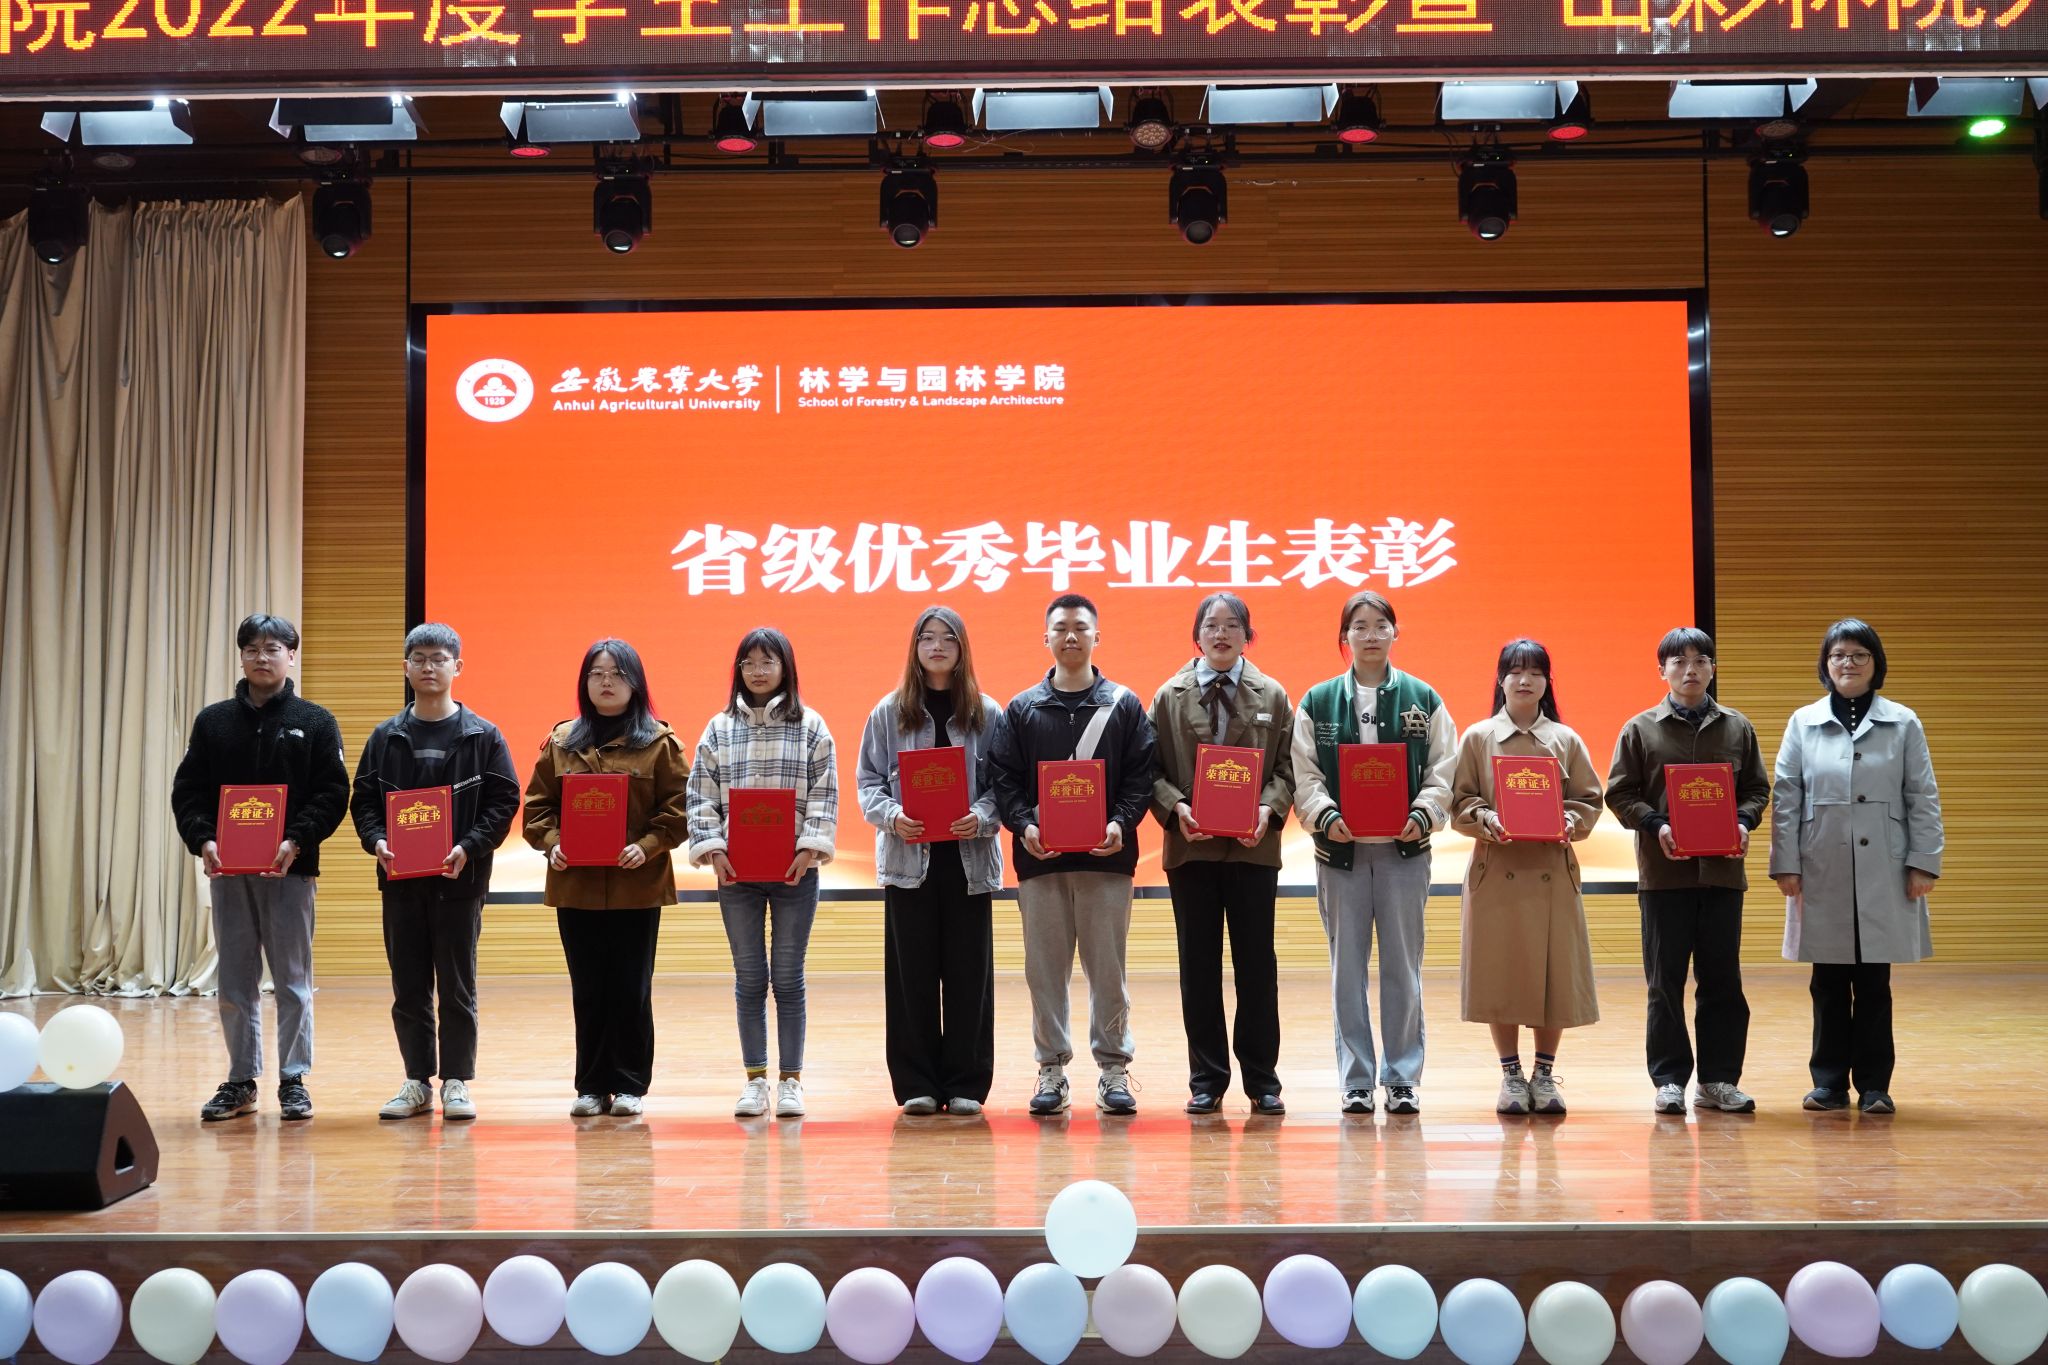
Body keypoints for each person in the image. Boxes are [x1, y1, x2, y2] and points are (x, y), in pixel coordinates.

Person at [170, 613, 350, 1122]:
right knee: (234, 980)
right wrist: (203, 839)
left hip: (290, 869)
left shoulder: (316, 721)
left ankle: (293, 1079)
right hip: (228, 872)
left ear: (291, 655)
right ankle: (240, 1080)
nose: (262, 657)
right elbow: (188, 791)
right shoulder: (213, 722)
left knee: (292, 980)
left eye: (273, 648)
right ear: (241, 657)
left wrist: (297, 839)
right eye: (252, 648)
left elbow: (333, 793)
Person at [986, 593, 1157, 1117]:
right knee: (1044, 973)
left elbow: (1141, 777)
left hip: (1108, 861)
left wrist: (1120, 822)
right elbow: (1004, 780)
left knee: (1109, 972)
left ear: (1096, 637)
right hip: (1041, 863)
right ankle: (1051, 1070)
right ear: (1046, 638)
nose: (1071, 636)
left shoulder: (1124, 705)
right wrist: (1025, 825)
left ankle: (1114, 1069)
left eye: (1081, 627)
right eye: (1060, 628)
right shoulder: (1022, 709)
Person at [1290, 590, 1456, 1116]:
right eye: (1359, 626)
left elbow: (1444, 768)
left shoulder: (1423, 697)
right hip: (1341, 855)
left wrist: (1424, 813)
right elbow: (1304, 773)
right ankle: (1357, 1080)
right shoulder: (1318, 701)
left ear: (1395, 633)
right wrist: (1324, 815)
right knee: (1347, 971)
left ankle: (1402, 1078)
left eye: (1381, 625)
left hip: (1404, 853)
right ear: (1345, 637)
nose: (1370, 635)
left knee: (1403, 968)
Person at [1768, 619, 1943, 1116]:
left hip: (1884, 866)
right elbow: (1786, 797)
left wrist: (1923, 862)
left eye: (1859, 655)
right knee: (1826, 981)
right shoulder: (1803, 721)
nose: (1848, 663)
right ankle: (1827, 1084)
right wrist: (1786, 864)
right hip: (1820, 864)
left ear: (1875, 663)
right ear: (1826, 664)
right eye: (1838, 655)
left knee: (1873, 982)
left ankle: (1874, 1086)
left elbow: (1922, 795)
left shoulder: (1903, 722)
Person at [349, 623, 521, 1122]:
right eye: (419, 658)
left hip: (459, 880)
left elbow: (504, 800)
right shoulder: (385, 736)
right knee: (408, 986)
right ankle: (416, 1080)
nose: (429, 667)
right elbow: (363, 800)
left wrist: (470, 846)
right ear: (405, 667)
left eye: (439, 659)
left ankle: (457, 1081)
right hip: (401, 880)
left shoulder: (483, 735)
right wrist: (376, 841)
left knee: (457, 986)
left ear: (457, 667)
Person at [1605, 627, 1771, 1117]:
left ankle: (1719, 1080)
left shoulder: (1738, 728)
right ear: (1662, 670)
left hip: (1723, 875)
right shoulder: (1640, 729)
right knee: (1665, 983)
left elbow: (1757, 790)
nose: (1690, 669)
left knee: (1723, 982)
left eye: (1700, 660)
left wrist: (1742, 822)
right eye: (1678, 661)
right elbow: (1620, 793)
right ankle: (1670, 1080)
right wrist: (1655, 824)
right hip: (1664, 877)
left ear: (1713, 668)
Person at [522, 638, 690, 1118]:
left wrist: (648, 845)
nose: (606, 681)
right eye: (596, 673)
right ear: (585, 682)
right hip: (576, 885)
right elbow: (536, 808)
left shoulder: (659, 743)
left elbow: (680, 809)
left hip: (637, 885)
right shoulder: (561, 742)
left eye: (617, 673)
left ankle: (631, 1084)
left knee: (632, 989)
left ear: (635, 682)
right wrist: (553, 843)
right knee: (589, 988)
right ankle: (592, 1086)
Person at [1148, 593, 1296, 1117]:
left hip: (1254, 849)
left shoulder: (1273, 694)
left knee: (1257, 966)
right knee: (1199, 968)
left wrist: (1268, 810)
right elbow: (1149, 770)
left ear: (1247, 636)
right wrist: (1176, 806)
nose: (1221, 633)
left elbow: (1288, 768)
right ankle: (1206, 1078)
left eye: (1233, 625)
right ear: (1197, 635)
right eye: (1211, 625)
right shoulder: (1168, 696)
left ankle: (1263, 1080)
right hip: (1192, 850)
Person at [686, 628, 839, 1120]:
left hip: (796, 873)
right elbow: (700, 795)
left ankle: (791, 1082)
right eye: (748, 662)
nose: (757, 671)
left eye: (767, 661)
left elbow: (825, 793)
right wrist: (713, 849)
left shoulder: (811, 725)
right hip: (737, 876)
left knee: (789, 978)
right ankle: (755, 1081)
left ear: (785, 668)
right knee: (750, 978)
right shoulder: (718, 728)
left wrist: (810, 848)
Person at [856, 607, 1003, 1117]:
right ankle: (916, 1082)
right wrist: (892, 816)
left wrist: (981, 817)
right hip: (908, 862)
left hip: (968, 863)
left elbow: (1003, 786)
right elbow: (868, 782)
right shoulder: (888, 712)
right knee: (910, 977)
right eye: (927, 637)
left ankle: (966, 1082)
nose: (937, 646)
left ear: (962, 648)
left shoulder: (987, 712)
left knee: (969, 975)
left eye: (948, 638)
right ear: (915, 648)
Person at [1450, 638, 1603, 1117]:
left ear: (1546, 682)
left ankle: (1544, 1074)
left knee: (1553, 975)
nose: (1524, 680)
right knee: (1501, 973)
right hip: (1497, 870)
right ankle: (1511, 1075)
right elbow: (1459, 801)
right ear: (1500, 679)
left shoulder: (1566, 740)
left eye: (1535, 672)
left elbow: (1589, 799)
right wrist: (1486, 819)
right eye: (1515, 671)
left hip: (1551, 871)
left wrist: (1571, 820)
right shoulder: (1477, 737)